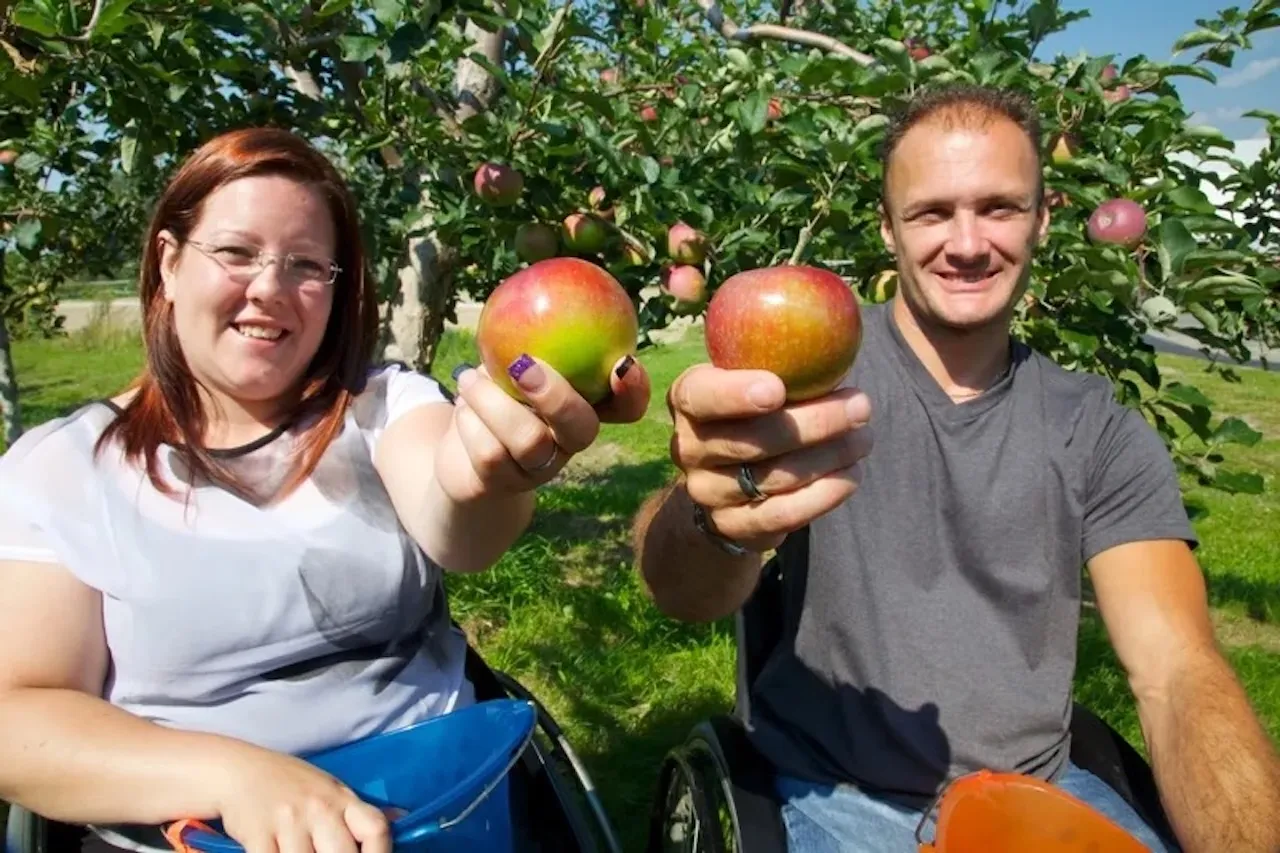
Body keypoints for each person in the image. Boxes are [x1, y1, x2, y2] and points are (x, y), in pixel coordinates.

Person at [631, 84, 1280, 853]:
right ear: (887, 227)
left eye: (1000, 207)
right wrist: (717, 519)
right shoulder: (812, 382)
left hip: (1036, 793)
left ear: (1043, 217)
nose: (967, 243)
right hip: (835, 796)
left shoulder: (1097, 430)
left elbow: (1177, 673)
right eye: (932, 212)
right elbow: (679, 590)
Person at [0, 127, 650, 853]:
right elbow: (17, 718)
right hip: (192, 830)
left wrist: (490, 471)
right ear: (170, 262)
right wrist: (237, 775)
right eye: (237, 252)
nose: (270, 289)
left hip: (439, 809)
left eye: (306, 264)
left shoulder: (380, 407)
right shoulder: (67, 467)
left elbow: (456, 519)